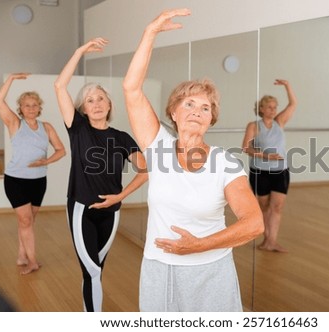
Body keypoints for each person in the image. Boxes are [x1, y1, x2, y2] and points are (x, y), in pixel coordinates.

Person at [122, 8, 263, 312]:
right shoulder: (157, 146)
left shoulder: (225, 164)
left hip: (212, 272)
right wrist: (150, 32)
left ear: (211, 119)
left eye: (205, 108)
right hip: (160, 270)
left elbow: (254, 223)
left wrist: (199, 246)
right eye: (189, 104)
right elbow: (131, 89)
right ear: (173, 112)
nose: (196, 112)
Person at [54, 38, 148, 312]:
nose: (95, 104)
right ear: (83, 108)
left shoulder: (121, 137)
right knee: (93, 271)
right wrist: (79, 51)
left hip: (111, 212)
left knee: (96, 270)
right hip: (82, 207)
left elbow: (146, 170)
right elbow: (60, 86)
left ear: (109, 104)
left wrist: (120, 196)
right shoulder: (78, 128)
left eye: (100, 98)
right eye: (89, 100)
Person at [0, 73, 66, 275]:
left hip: (38, 181)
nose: (31, 108)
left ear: (39, 107)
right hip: (16, 180)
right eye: (27, 105)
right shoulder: (15, 123)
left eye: (34, 105)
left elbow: (61, 150)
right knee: (25, 221)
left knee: (28, 221)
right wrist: (11, 79)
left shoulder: (47, 127)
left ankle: (21, 254)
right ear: (20, 108)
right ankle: (32, 261)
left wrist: (46, 161)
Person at [242, 80, 297, 253]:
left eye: (275, 107)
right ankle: (266, 240)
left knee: (277, 207)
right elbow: (246, 147)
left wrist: (287, 85)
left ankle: (272, 241)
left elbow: (293, 104)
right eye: (270, 107)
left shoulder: (280, 122)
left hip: (281, 171)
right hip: (260, 171)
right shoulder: (254, 126)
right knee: (264, 206)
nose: (273, 110)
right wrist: (266, 155)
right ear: (262, 109)